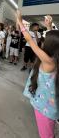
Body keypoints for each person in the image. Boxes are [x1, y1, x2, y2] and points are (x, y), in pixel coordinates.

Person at [16, 10, 59, 138]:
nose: (43, 41)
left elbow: (29, 38)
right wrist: (49, 26)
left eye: (46, 40)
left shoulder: (48, 61)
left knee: (46, 135)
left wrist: (19, 20)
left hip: (45, 109)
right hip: (52, 105)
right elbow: (55, 41)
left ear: (49, 45)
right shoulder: (55, 58)